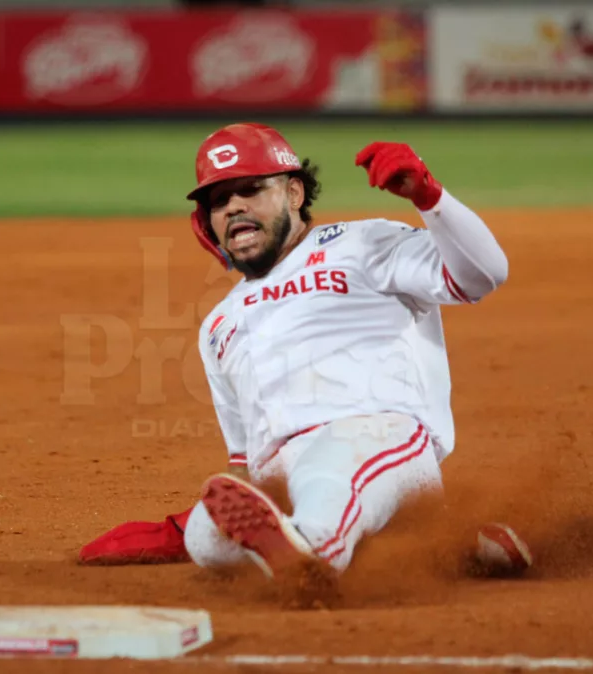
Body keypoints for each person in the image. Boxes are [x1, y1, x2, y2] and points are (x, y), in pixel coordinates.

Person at [79, 122, 529, 588]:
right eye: (218, 201)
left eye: (250, 190)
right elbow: (245, 464)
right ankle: (436, 547)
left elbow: (484, 274)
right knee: (205, 537)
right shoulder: (218, 324)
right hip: (284, 469)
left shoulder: (364, 244)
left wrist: (429, 197)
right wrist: (187, 530)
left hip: (375, 434)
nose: (233, 206)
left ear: (294, 193)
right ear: (206, 224)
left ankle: (313, 555)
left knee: (327, 475)